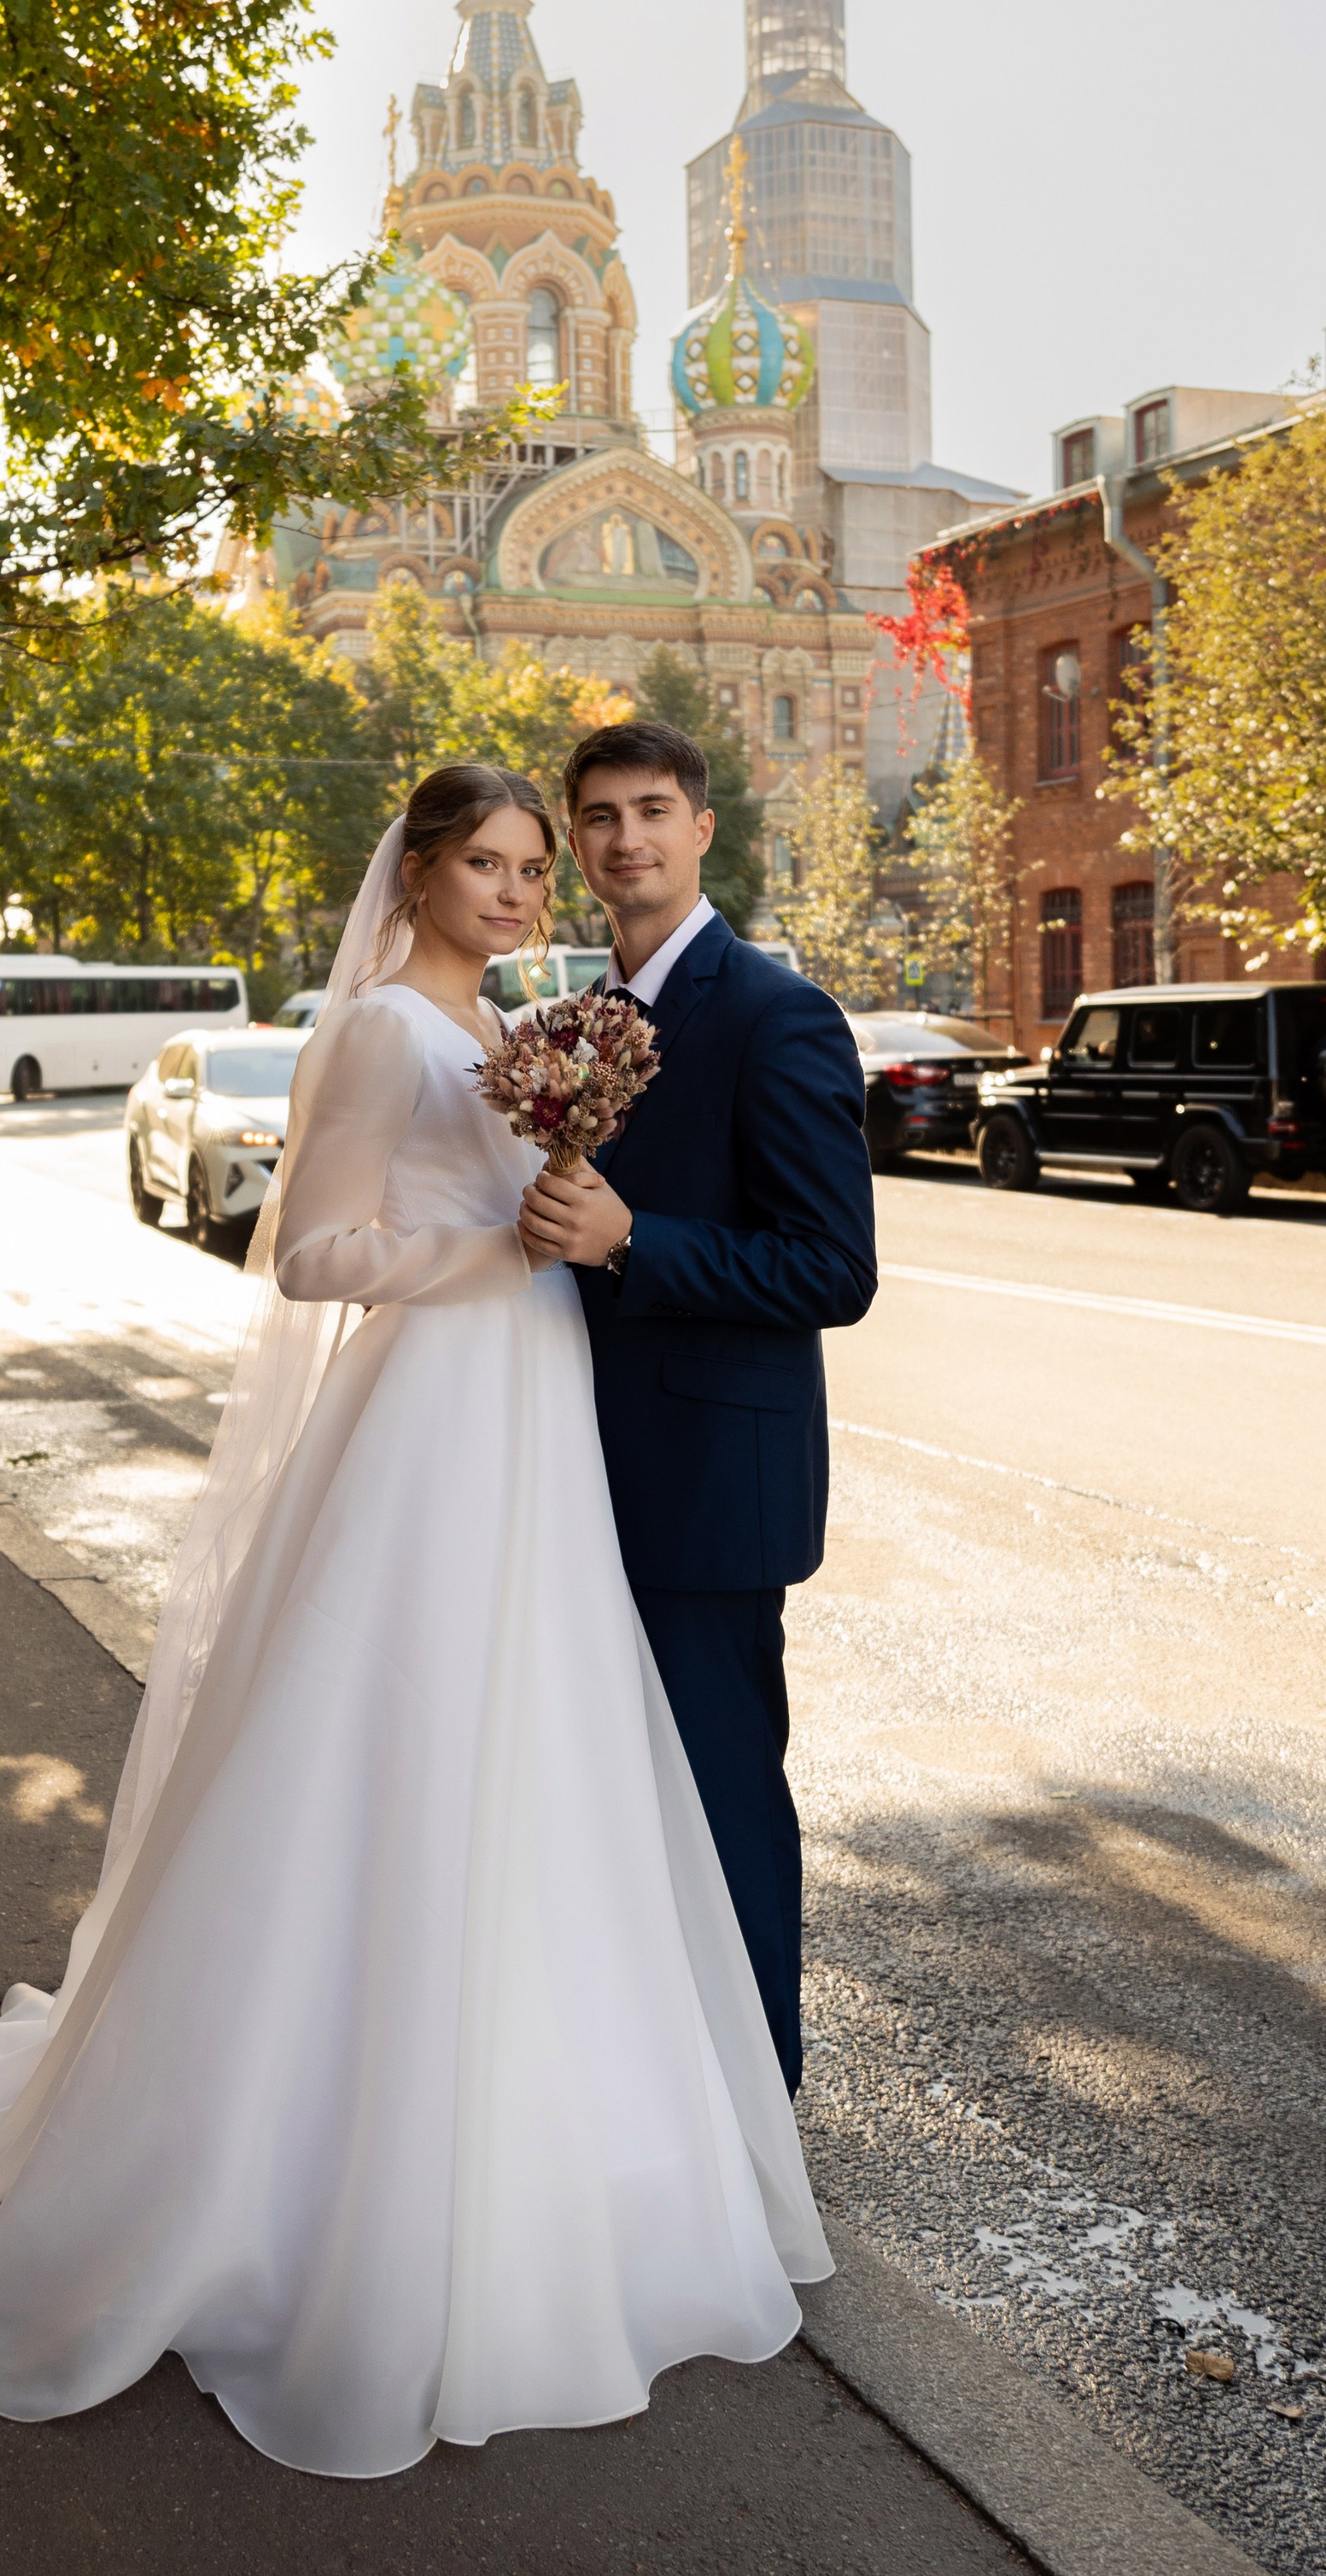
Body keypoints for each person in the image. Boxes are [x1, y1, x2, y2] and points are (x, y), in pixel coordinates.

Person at [0, 765, 829, 2472]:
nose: (516, 889)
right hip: (433, 1414)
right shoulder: (368, 1032)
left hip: (528, 1415)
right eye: (482, 864)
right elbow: (306, 1255)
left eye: (528, 865)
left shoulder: (515, 1029)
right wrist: (490, 1249)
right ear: (416, 875)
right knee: (398, 1749)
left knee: (539, 1756)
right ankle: (314, 2155)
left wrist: (566, 1217)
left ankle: (540, 2141)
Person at [517, 720, 877, 2096]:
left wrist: (631, 1241)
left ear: (703, 826)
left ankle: (750, 2130)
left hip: (710, 1492)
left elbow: (834, 1269)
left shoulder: (775, 1013)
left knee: (720, 1811)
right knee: (602, 1813)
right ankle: (639, 2102)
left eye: (651, 811)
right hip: (564, 1471)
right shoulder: (568, 1024)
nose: (625, 841)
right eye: (598, 818)